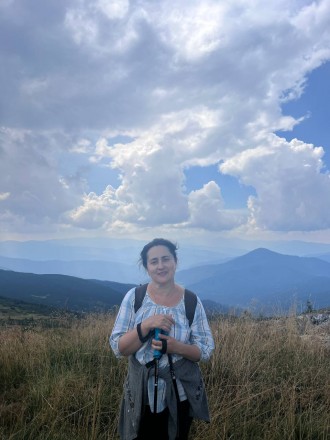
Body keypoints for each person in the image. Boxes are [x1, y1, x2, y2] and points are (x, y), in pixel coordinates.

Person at [109, 238, 215, 440]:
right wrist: (146, 325)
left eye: (166, 259)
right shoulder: (135, 298)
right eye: (154, 261)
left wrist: (176, 347)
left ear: (175, 261)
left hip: (180, 393)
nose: (161, 266)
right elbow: (119, 347)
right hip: (141, 394)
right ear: (147, 267)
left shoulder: (191, 301)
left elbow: (206, 349)